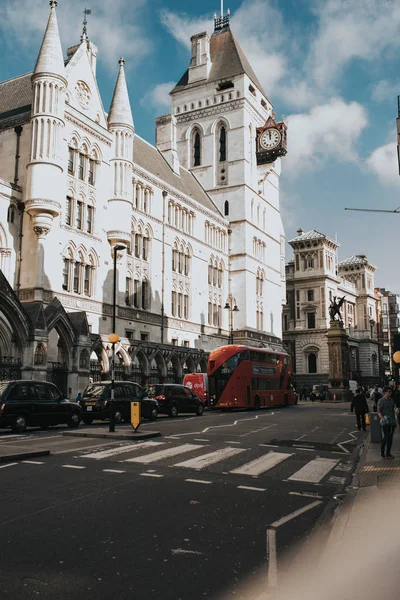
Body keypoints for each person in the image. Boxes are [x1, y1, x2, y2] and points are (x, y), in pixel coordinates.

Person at [377, 386, 397, 459]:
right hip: (385, 421)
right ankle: (382, 451)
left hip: (391, 421)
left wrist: (396, 410)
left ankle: (388, 453)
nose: (390, 393)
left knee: (390, 438)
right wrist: (382, 418)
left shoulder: (391, 400)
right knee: (386, 436)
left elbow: (393, 409)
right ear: (385, 392)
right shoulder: (381, 401)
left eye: (391, 391)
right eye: (389, 391)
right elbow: (379, 412)